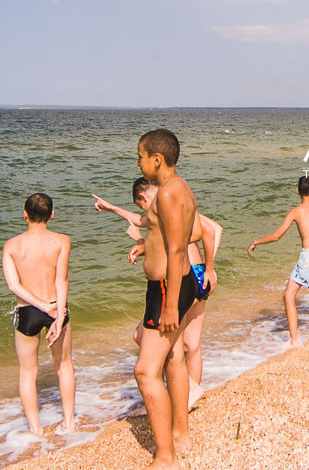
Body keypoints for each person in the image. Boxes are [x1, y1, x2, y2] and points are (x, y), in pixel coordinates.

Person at [93, 179, 221, 406]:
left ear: (144, 197)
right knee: (191, 344)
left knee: (143, 337)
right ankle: (189, 397)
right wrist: (208, 269)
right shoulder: (176, 205)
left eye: (141, 205)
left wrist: (210, 268)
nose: (143, 212)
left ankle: (183, 391)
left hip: (186, 278)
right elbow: (149, 227)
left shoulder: (169, 205)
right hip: (199, 276)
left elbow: (208, 231)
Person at [131, 129, 201, 468]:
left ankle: (165, 457)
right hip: (175, 283)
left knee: (145, 371)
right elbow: (177, 236)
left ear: (156, 159)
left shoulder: (169, 194)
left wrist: (171, 303)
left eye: (140, 156)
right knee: (173, 358)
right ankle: (180, 434)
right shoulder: (181, 187)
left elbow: (176, 249)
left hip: (166, 289)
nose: (138, 162)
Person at [1, 193, 76, 437]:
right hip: (57, 307)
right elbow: (61, 280)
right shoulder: (62, 241)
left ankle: (35, 429)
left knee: (27, 372)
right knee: (64, 366)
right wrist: (56, 312)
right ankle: (68, 423)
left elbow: (14, 286)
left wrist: (42, 306)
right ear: (51, 215)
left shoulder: (11, 246)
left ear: (25, 214)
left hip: (28, 311)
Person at [248, 176, 309, 347]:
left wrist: (256, 241)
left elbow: (277, 236)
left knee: (288, 295)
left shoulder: (295, 212)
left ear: (297, 191)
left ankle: (294, 340)